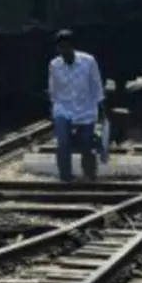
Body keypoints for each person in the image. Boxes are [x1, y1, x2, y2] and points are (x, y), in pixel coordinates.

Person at [48, 29, 106, 182]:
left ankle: (89, 174)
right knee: (63, 143)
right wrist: (53, 107)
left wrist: (101, 107)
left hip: (86, 108)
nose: (64, 51)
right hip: (64, 108)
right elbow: (53, 88)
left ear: (72, 47)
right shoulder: (54, 65)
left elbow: (96, 85)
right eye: (61, 48)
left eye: (67, 47)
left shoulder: (89, 61)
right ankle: (65, 177)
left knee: (86, 144)